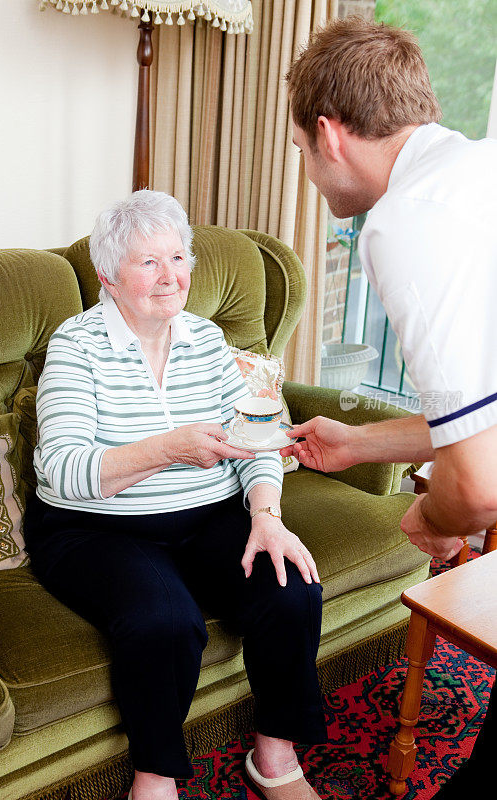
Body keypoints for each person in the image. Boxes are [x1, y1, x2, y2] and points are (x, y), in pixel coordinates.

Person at [24, 190, 326, 800]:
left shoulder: (209, 340)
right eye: (149, 262)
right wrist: (169, 448)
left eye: (180, 257)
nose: (173, 277)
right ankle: (155, 777)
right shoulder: (75, 347)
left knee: (291, 584)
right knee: (164, 621)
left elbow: (260, 435)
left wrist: (266, 514)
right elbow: (60, 469)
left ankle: (275, 753)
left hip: (206, 512)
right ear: (108, 276)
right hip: (96, 526)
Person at [282, 16, 497, 798]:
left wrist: (431, 522)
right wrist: (357, 444)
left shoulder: (405, 223)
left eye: (301, 151)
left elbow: (476, 486)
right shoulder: (476, 173)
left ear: (330, 135)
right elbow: (486, 422)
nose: (307, 172)